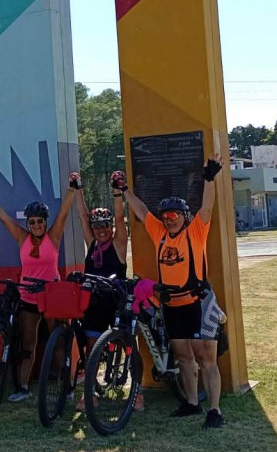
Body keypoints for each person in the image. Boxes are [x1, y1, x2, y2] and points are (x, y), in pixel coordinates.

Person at [118, 154, 227, 429]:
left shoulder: (196, 232)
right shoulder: (160, 233)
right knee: (183, 356)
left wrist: (209, 179)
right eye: (166, 216)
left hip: (198, 302)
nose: (169, 219)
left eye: (175, 215)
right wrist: (124, 191)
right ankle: (191, 403)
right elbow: (142, 212)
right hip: (173, 305)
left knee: (206, 359)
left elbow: (207, 208)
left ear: (184, 216)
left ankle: (214, 410)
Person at [0, 173, 80, 402]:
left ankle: (67, 387)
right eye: (32, 221)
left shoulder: (53, 237)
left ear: (45, 222)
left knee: (58, 344)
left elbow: (64, 213)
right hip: (28, 296)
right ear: (28, 223)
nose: (36, 225)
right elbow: (3, 217)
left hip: (51, 295)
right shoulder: (22, 238)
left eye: (40, 221)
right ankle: (23, 387)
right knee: (28, 344)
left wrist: (72, 189)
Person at [73, 172, 133, 411]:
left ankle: (135, 391)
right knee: (91, 346)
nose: (100, 230)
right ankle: (89, 396)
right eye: (97, 226)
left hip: (117, 301)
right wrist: (78, 189)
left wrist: (117, 192)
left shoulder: (118, 244)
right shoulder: (92, 245)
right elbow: (81, 215)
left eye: (105, 226)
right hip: (96, 301)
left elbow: (120, 218)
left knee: (130, 343)